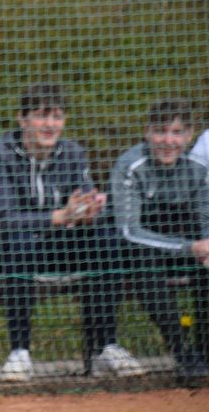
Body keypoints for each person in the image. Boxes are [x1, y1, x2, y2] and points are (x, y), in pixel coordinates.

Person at [0, 82, 143, 382]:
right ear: (22, 119)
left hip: (57, 248)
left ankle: (106, 347)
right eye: (41, 115)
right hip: (2, 252)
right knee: (20, 240)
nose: (50, 124)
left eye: (57, 116)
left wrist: (88, 211)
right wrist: (60, 216)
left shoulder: (73, 153)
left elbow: (84, 199)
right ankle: (19, 352)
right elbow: (2, 219)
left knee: (106, 239)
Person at [111, 98, 209, 383]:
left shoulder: (199, 168)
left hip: (183, 242)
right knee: (143, 263)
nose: (168, 141)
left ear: (189, 135)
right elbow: (129, 231)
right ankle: (181, 351)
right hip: (137, 249)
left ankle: (204, 351)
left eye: (177, 132)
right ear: (147, 132)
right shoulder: (130, 165)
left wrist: (205, 246)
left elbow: (205, 217)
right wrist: (190, 248)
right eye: (160, 131)